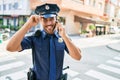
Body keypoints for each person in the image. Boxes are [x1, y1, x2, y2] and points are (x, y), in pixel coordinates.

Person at [6, 3, 82, 80]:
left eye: (51, 19)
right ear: (40, 21)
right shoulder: (35, 37)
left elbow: (78, 57)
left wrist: (65, 36)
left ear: (56, 19)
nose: (49, 23)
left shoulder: (63, 37)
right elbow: (10, 47)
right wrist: (28, 25)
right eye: (45, 19)